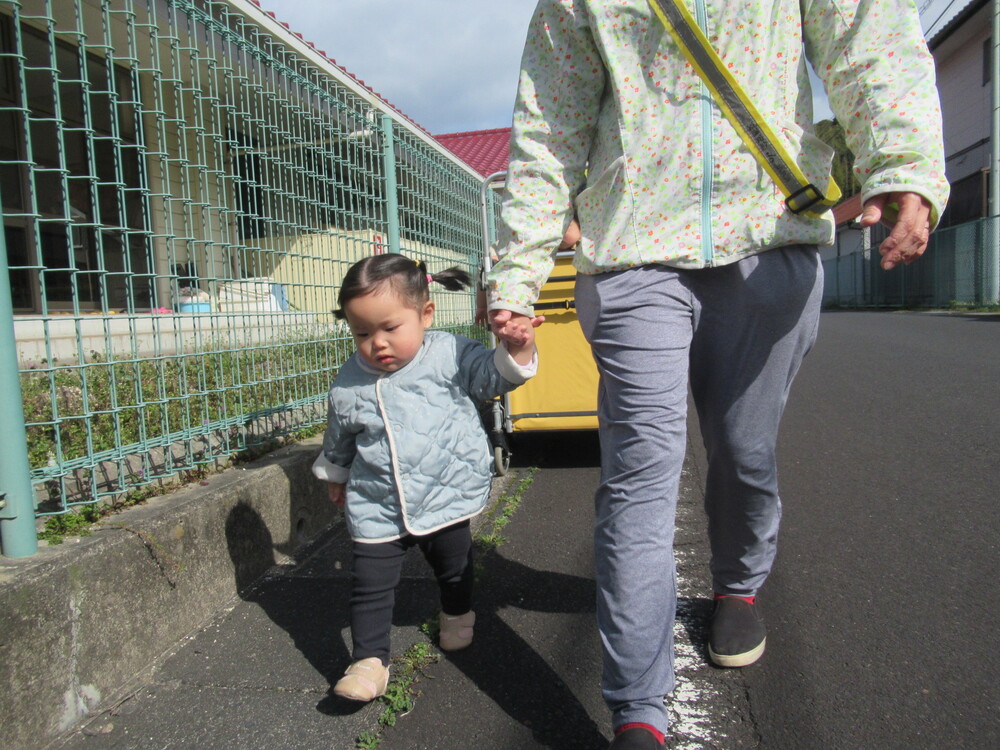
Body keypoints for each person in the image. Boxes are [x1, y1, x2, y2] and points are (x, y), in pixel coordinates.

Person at [487, 1, 949, 747]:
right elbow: (549, 125)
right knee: (640, 476)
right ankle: (638, 709)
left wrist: (907, 168)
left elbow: (870, 43)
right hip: (635, 250)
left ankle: (738, 582)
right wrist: (518, 272)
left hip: (770, 239)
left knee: (743, 450)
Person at [313, 253, 539, 702]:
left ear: (425, 313)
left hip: (445, 490)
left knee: (453, 565)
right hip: (377, 500)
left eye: (390, 328)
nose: (376, 344)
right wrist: (336, 474)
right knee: (369, 583)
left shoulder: (450, 353)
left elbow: (493, 376)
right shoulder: (350, 378)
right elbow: (340, 428)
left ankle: (457, 613)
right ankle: (369, 661)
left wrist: (517, 348)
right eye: (362, 333)